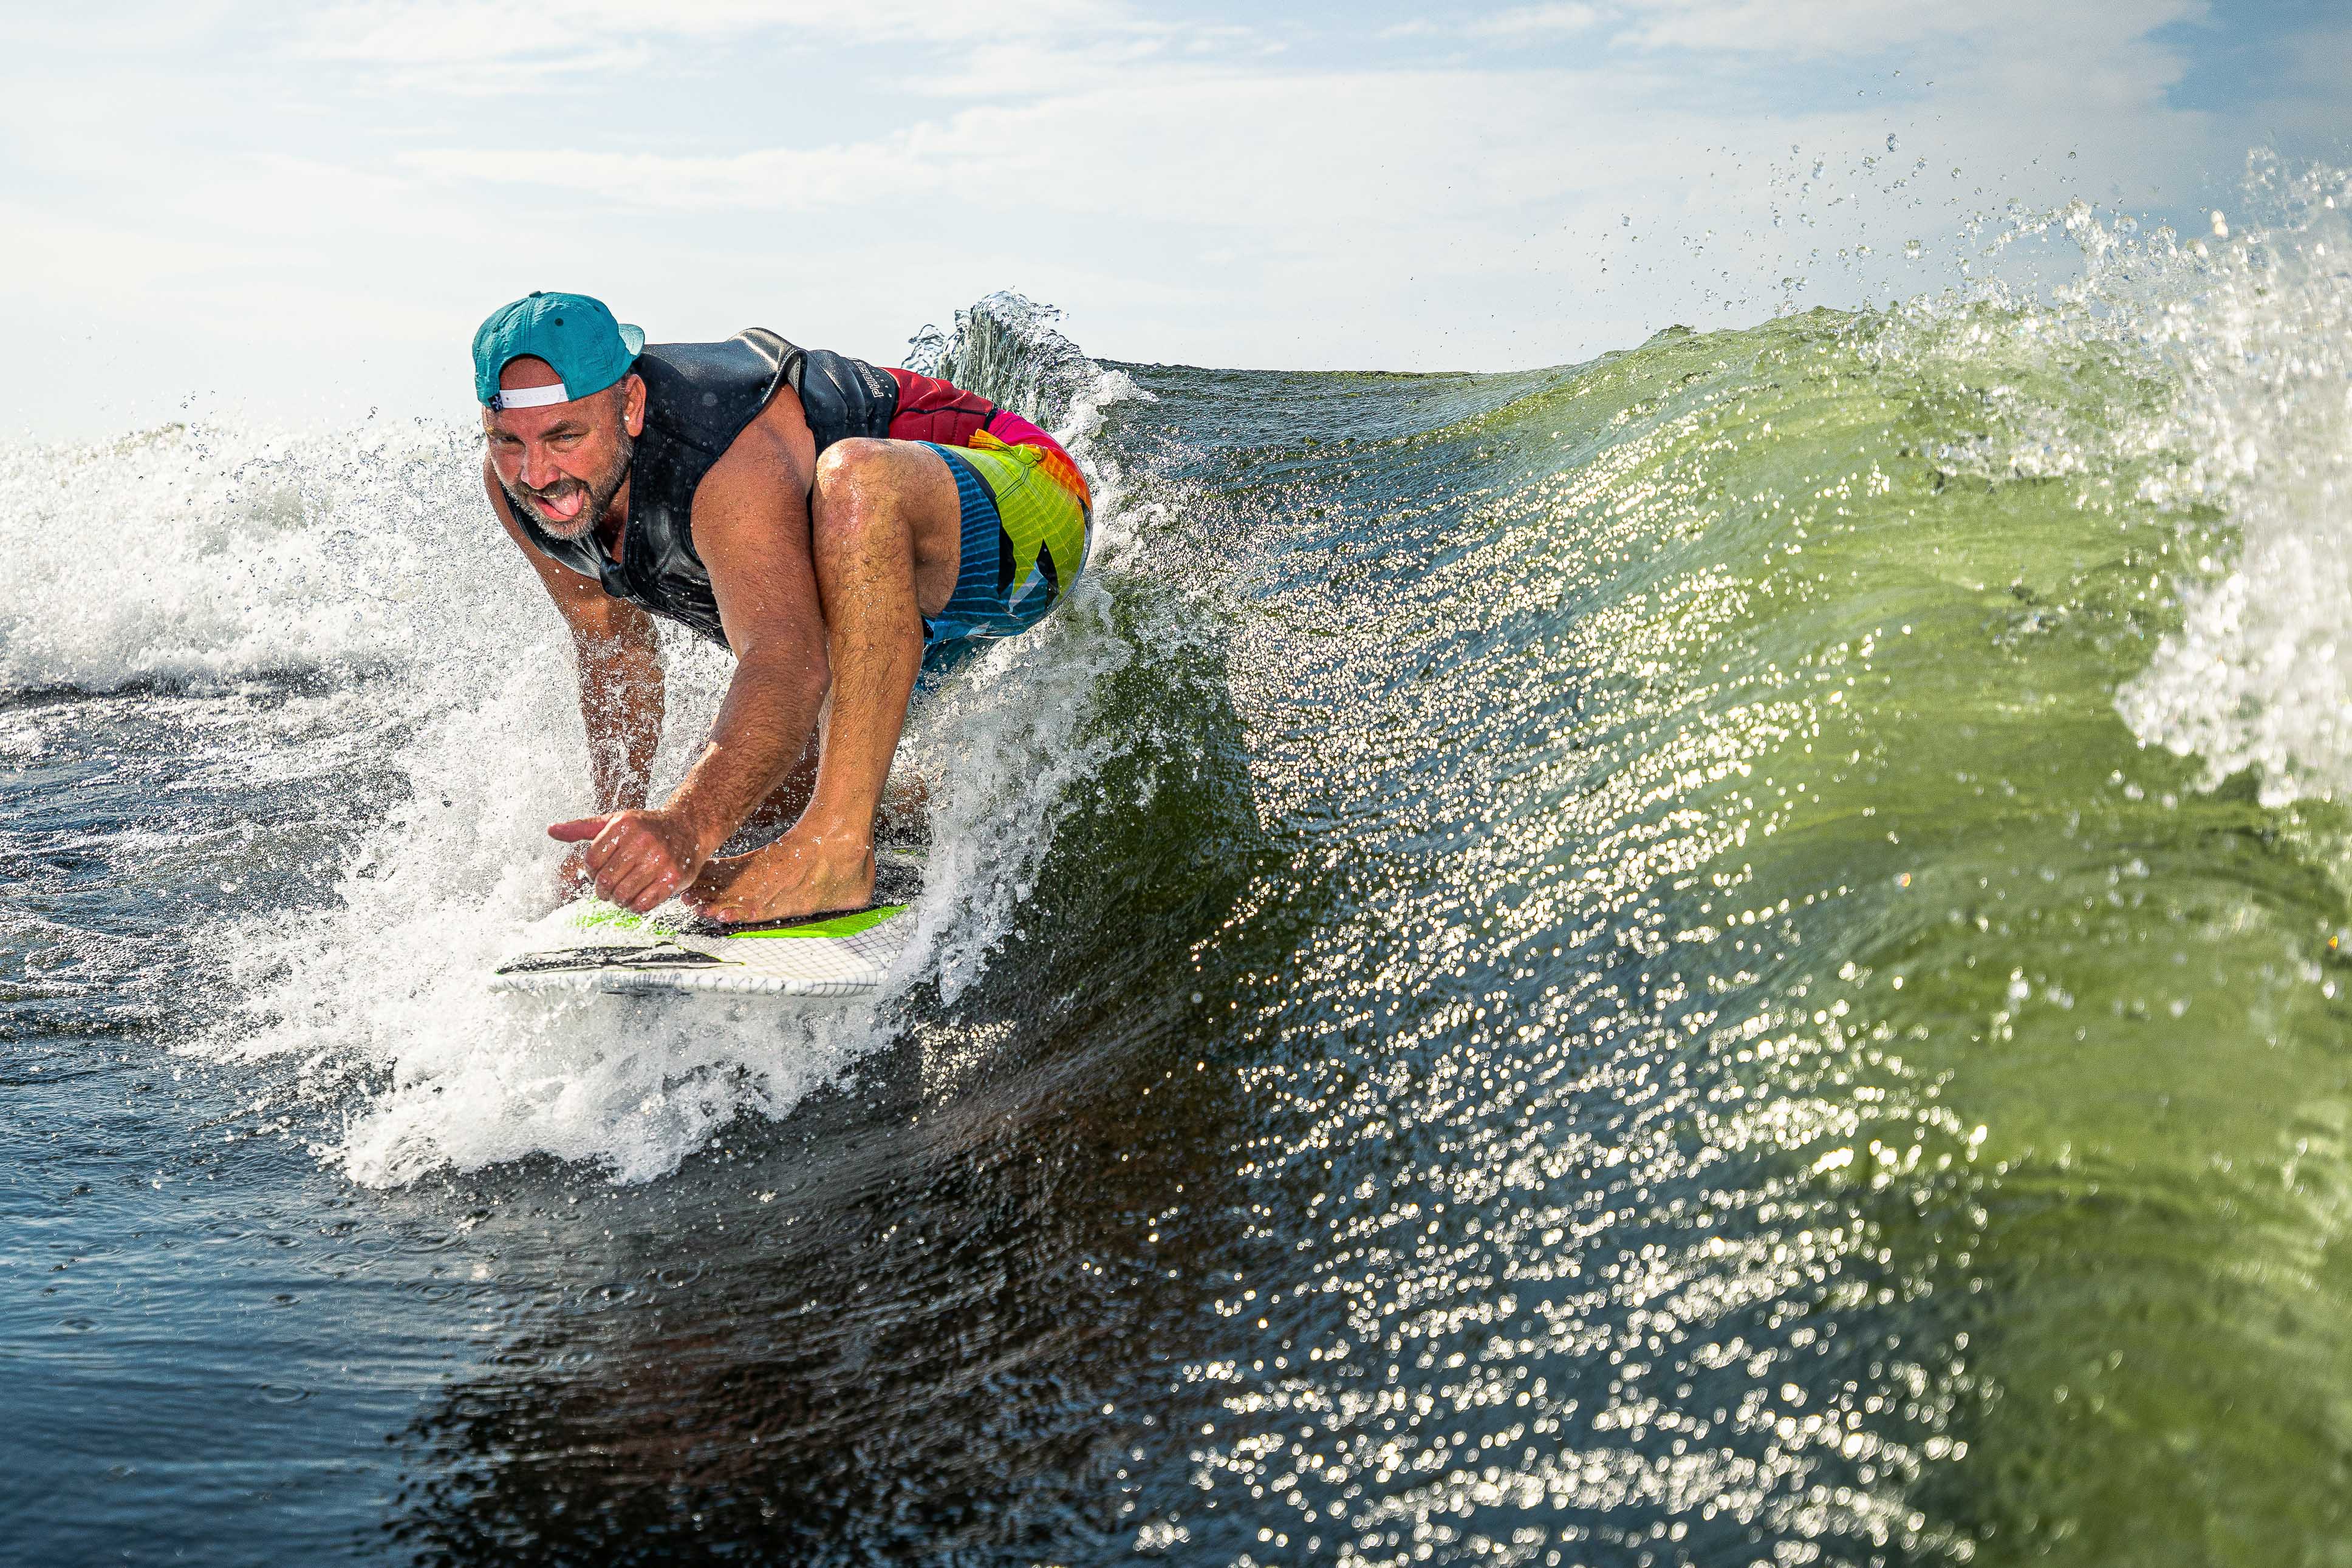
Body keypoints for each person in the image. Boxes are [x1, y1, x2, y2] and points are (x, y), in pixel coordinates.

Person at [473, 291, 1091, 922]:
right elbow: (614, 646)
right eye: (506, 440)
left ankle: (836, 854)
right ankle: (921, 812)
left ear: (629, 405)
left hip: (1024, 521)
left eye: (564, 436)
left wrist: (687, 825)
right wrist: (618, 832)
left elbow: (786, 661)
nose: (538, 474)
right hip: (885, 630)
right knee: (741, 796)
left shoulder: (716, 446)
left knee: (856, 480)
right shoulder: (515, 489)